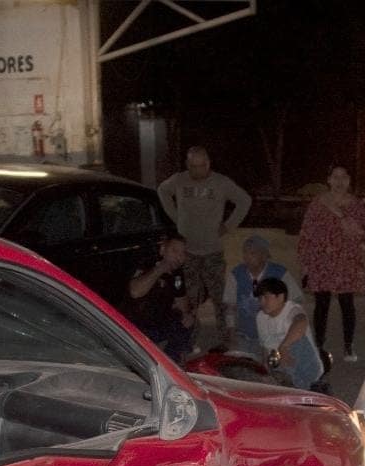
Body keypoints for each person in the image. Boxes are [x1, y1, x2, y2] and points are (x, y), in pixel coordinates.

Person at [157, 146, 252, 350]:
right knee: (188, 300)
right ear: (187, 165)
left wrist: (228, 225)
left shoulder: (220, 183)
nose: (198, 170)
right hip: (188, 253)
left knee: (220, 299)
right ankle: (188, 338)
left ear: (208, 163)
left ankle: (226, 341)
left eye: (201, 166)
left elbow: (244, 200)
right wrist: (177, 217)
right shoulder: (179, 180)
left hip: (212, 252)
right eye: (193, 166)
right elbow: (162, 191)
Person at [298, 165, 365, 362]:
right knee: (321, 304)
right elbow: (307, 232)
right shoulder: (318, 203)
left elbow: (360, 231)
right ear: (328, 180)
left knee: (347, 303)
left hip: (346, 260)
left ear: (349, 180)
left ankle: (348, 346)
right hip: (322, 260)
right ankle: (318, 346)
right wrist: (305, 262)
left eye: (344, 177)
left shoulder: (355, 204)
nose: (339, 182)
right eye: (335, 177)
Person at [120, 233, 195, 362]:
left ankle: (171, 361)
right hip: (136, 326)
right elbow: (135, 292)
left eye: (183, 253)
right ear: (162, 250)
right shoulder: (147, 264)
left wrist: (187, 314)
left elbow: (182, 302)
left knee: (189, 322)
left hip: (158, 324)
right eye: (174, 251)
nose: (179, 257)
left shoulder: (177, 274)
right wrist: (159, 269)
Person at [222, 234, 302, 352]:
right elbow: (230, 306)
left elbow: (296, 302)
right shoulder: (237, 274)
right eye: (245, 253)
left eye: (252, 253)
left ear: (264, 256)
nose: (247, 257)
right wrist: (231, 331)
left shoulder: (280, 273)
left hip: (274, 336)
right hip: (244, 335)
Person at [255, 277, 322, 391]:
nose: (262, 302)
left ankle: (296, 386)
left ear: (280, 297)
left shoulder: (292, 309)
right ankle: (284, 383)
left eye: (266, 297)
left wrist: (284, 346)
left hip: (306, 367)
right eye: (260, 298)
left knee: (296, 341)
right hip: (282, 365)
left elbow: (301, 322)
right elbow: (265, 349)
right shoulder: (261, 317)